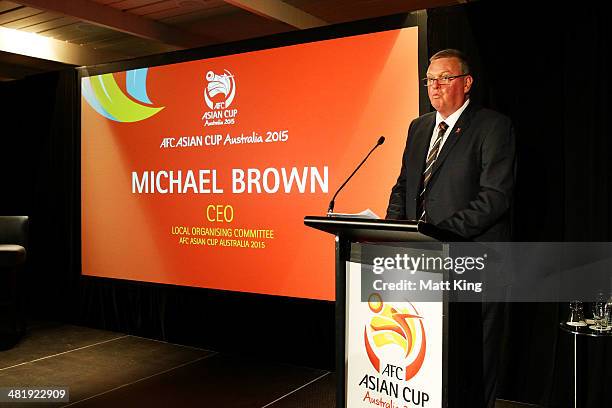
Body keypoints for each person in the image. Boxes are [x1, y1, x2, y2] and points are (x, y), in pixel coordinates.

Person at [386, 49, 516, 408]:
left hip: (476, 260)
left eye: (444, 78)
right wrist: (392, 232)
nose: (435, 86)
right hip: (423, 262)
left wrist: (436, 233)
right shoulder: (418, 126)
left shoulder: (492, 126)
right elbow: (404, 186)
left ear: (466, 82)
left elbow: (495, 197)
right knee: (431, 349)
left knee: (478, 354)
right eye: (430, 80)